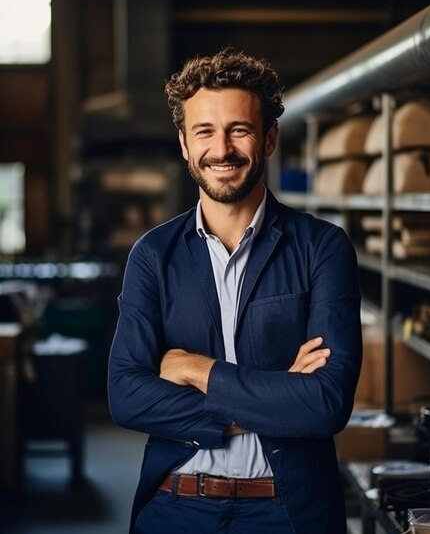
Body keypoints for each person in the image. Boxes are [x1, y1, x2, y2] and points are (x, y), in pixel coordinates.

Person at [108, 48, 362, 534]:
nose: (221, 149)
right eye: (204, 131)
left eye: (239, 130)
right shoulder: (152, 255)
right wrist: (275, 396)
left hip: (289, 512)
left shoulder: (322, 248)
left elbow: (326, 403)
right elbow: (126, 396)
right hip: (176, 506)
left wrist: (196, 369)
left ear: (268, 139)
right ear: (184, 144)